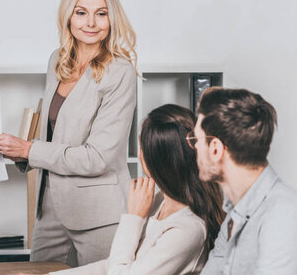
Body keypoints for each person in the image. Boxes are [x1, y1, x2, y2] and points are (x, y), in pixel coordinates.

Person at [0, 0, 138, 266]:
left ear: (112, 18)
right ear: (68, 16)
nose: (90, 23)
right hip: (50, 208)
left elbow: (97, 158)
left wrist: (28, 149)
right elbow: (55, 135)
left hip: (99, 215)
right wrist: (13, 151)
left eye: (101, 14)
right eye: (81, 13)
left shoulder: (120, 72)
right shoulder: (57, 60)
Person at [52, 104, 225, 275]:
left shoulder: (188, 229)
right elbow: (114, 265)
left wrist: (133, 218)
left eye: (142, 146)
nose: (139, 153)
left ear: (155, 161)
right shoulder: (159, 202)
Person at [189, 87, 297, 275]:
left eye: (196, 138)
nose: (194, 146)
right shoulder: (236, 213)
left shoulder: (285, 217)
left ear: (215, 149)